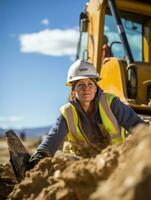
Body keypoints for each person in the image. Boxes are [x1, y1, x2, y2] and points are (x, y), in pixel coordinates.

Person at [27, 59, 145, 170]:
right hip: (81, 166)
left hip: (114, 161)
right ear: (73, 91)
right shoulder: (68, 112)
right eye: (80, 85)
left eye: (90, 84)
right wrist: (39, 156)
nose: (86, 89)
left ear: (96, 88)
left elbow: (138, 126)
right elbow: (53, 138)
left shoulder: (111, 103)